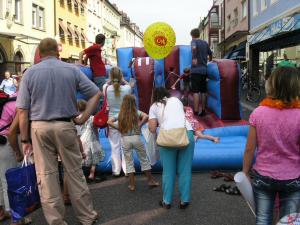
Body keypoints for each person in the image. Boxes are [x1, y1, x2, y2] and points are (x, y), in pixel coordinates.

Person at [17, 38, 101, 225]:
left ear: (39, 53)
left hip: (39, 127)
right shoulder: (71, 70)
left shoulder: (30, 74)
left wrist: (24, 140)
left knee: (46, 176)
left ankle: (56, 221)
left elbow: (22, 110)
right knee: (74, 172)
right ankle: (86, 217)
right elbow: (96, 93)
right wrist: (83, 117)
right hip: (65, 125)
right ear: (57, 51)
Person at [243, 67, 300, 225]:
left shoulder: (259, 113)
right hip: (293, 176)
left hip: (264, 176)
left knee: (262, 218)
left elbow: (249, 148)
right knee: (289, 221)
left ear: (271, 86)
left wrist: (245, 171)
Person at [148, 87, 195, 209]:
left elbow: (152, 129)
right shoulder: (176, 100)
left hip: (167, 138)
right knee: (185, 170)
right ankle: (184, 200)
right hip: (186, 134)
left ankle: (167, 201)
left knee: (168, 172)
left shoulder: (154, 106)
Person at [107, 95, 159, 191]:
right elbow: (146, 116)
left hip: (125, 139)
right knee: (144, 160)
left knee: (129, 162)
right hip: (136, 137)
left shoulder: (120, 114)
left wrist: (119, 128)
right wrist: (140, 124)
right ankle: (150, 180)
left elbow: (109, 122)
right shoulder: (136, 112)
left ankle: (132, 184)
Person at [103, 67, 131, 176]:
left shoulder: (106, 88)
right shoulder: (127, 89)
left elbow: (107, 83)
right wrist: (122, 80)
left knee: (114, 146)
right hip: (125, 119)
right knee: (125, 145)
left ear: (110, 76)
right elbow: (128, 84)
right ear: (121, 76)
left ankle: (116, 170)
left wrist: (111, 80)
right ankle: (127, 170)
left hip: (111, 120)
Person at [77, 100, 105, 183]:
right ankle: (91, 174)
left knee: (83, 156)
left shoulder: (77, 118)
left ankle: (81, 175)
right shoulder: (92, 118)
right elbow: (97, 127)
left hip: (82, 140)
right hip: (92, 139)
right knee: (95, 158)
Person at [190, 28, 212, 116]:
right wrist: (209, 62)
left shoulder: (193, 41)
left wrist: (194, 58)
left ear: (192, 35)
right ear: (199, 34)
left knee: (195, 91)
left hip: (195, 70)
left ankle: (195, 111)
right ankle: (203, 111)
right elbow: (210, 54)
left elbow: (194, 48)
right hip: (204, 70)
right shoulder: (205, 43)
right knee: (203, 91)